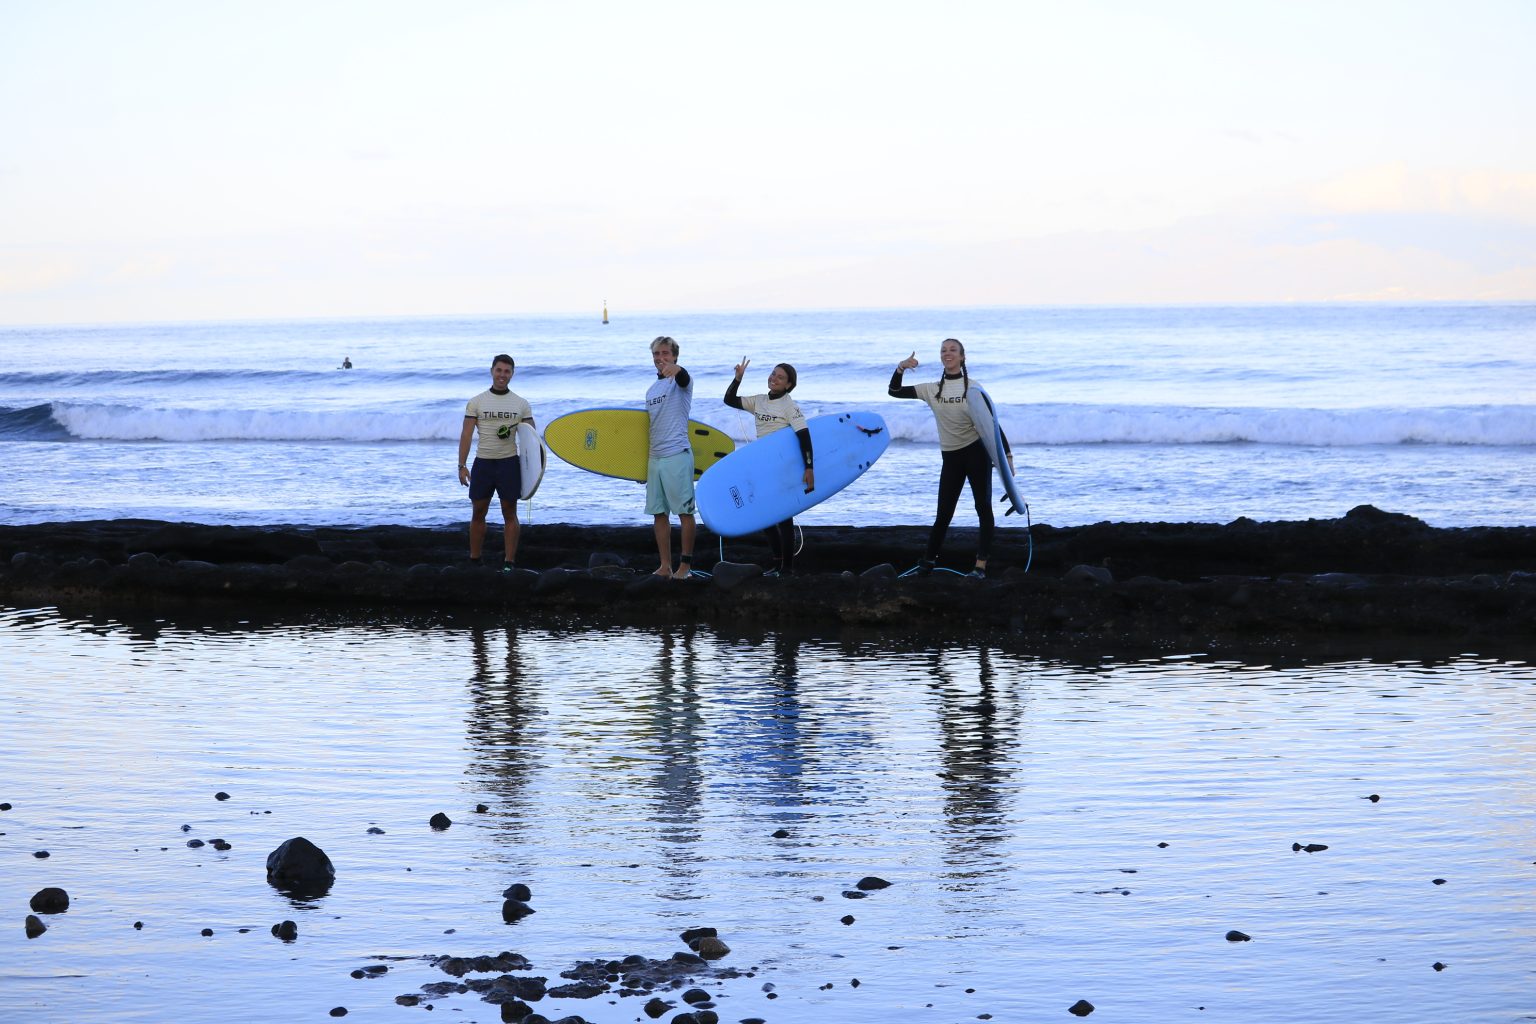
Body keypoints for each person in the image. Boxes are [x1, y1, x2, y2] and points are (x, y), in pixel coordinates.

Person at [888, 338, 1011, 578]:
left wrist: (1006, 455)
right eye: (944, 350)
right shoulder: (931, 390)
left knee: (982, 507)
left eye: (953, 350)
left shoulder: (974, 389)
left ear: (962, 357)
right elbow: (894, 391)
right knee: (943, 513)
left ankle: (980, 567)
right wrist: (901, 367)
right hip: (951, 457)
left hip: (976, 454)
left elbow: (992, 423)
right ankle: (927, 564)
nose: (947, 353)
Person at [724, 357, 815, 576]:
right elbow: (729, 400)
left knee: (783, 517)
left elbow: (804, 436)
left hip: (782, 466)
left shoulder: (790, 407)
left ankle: (787, 568)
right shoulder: (759, 401)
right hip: (762, 466)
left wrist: (809, 467)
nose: (774, 378)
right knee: (765, 515)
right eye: (773, 374)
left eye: (780, 377)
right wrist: (737, 379)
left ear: (789, 385)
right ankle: (777, 563)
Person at [457, 353, 534, 571]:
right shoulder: (477, 402)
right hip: (483, 464)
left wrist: (532, 473)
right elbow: (465, 435)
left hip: (509, 464)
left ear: (512, 374)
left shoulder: (521, 404)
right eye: (499, 370)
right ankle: (475, 559)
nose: (502, 375)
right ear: (492, 371)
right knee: (478, 512)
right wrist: (461, 466)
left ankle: (509, 562)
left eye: (507, 371)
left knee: (510, 512)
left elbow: (530, 439)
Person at [646, 336, 697, 579]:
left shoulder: (681, 382)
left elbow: (684, 376)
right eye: (656, 354)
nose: (660, 358)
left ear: (674, 356)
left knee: (684, 512)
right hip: (655, 458)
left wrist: (677, 370)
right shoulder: (651, 390)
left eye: (665, 353)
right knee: (659, 513)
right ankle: (665, 566)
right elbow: (649, 428)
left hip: (677, 454)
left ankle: (685, 566)